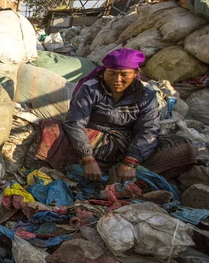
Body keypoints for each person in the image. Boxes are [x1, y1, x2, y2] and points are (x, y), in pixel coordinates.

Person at [35, 48, 198, 181]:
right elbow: (75, 122)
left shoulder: (146, 94)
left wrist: (131, 161)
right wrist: (87, 158)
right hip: (93, 140)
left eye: (124, 74)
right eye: (111, 73)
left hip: (129, 143)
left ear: (136, 73)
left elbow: (148, 129)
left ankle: (123, 172)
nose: (117, 80)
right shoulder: (90, 88)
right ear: (104, 72)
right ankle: (96, 170)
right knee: (50, 128)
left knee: (183, 146)